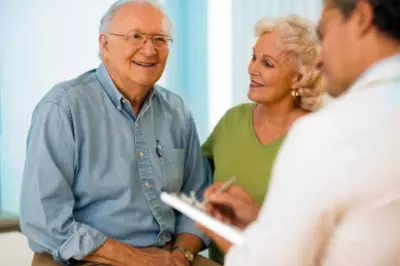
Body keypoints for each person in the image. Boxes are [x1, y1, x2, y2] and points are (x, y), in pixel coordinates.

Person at [199, 0, 400, 265]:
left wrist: (217, 229)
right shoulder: (234, 120)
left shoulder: (327, 133)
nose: (319, 59)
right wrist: (262, 220)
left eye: (324, 32)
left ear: (361, 17)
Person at [19, 1, 216, 265]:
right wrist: (138, 259)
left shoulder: (177, 111)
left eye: (160, 39)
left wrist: (182, 254)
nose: (149, 49)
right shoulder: (62, 108)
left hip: (169, 255)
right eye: (136, 36)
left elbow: (198, 198)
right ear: (105, 45)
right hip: (89, 258)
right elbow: (45, 220)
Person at [202, 14, 324, 263]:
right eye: (253, 57)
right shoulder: (232, 121)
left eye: (267, 64)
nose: (252, 69)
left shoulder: (317, 134)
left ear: (298, 78)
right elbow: (193, 178)